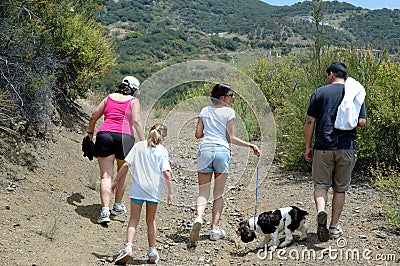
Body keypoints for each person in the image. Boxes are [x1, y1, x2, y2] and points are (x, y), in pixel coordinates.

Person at [190, 83, 261, 243]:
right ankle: (214, 229)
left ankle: (199, 218)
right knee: (218, 194)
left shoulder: (204, 111)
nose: (232, 98)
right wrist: (250, 145)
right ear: (222, 98)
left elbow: (198, 134)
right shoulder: (229, 112)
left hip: (205, 150)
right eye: (230, 95)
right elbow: (231, 138)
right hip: (222, 151)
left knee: (203, 192)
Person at [304, 62, 367, 242]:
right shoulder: (355, 93)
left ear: (331, 74)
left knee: (321, 185)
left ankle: (321, 212)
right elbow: (362, 122)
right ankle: (333, 226)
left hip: (323, 146)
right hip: (346, 147)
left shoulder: (320, 92)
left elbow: (310, 121)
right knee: (340, 189)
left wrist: (308, 147)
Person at [87, 76, 145, 225]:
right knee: (122, 173)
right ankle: (117, 205)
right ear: (134, 90)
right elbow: (137, 121)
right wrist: (143, 142)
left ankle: (105, 210)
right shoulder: (134, 101)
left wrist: (90, 134)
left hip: (105, 135)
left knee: (106, 176)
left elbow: (94, 116)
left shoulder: (108, 98)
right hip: (125, 138)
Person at [112, 124, 172, 264]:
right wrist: (170, 192)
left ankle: (128, 248)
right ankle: (152, 251)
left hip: (138, 190)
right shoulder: (162, 150)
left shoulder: (139, 146)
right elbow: (166, 173)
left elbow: (126, 165)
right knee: (150, 220)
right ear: (163, 137)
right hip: (153, 190)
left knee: (134, 219)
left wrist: (116, 181)